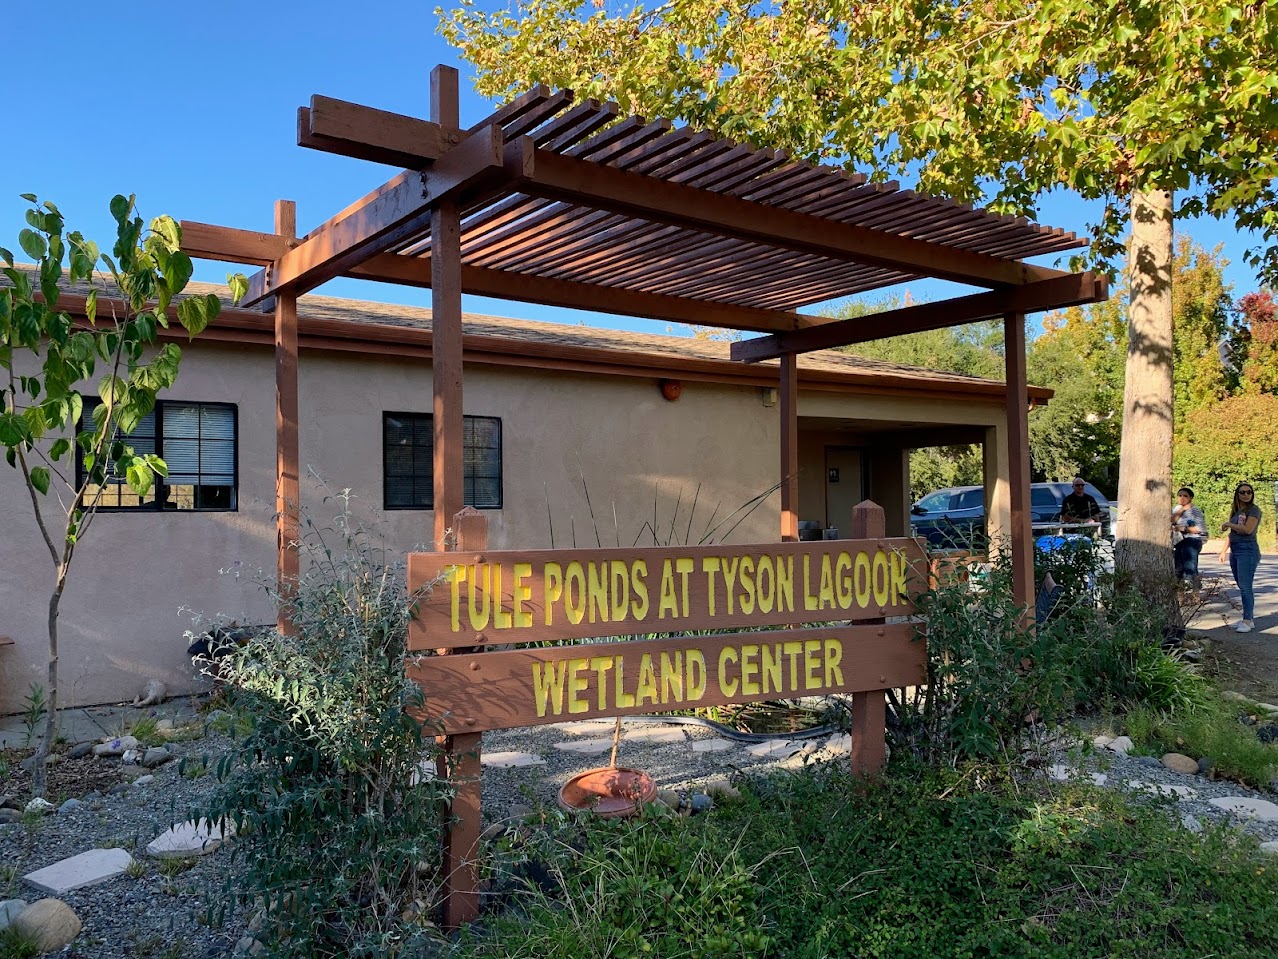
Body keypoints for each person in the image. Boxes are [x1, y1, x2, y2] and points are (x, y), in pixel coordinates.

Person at [1219, 482, 1263, 633]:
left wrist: (1229, 524)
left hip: (1247, 550)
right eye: (1242, 492)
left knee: (1245, 587)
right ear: (1237, 494)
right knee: (1241, 585)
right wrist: (1224, 551)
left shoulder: (1254, 510)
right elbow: (1231, 535)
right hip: (1236, 550)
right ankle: (1247, 618)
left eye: (1249, 492)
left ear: (1252, 494)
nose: (1246, 495)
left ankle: (1247, 620)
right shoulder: (1237, 511)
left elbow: (1247, 529)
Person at [1171, 487, 1206, 587]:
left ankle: (1195, 596)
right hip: (1179, 541)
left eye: (1185, 496)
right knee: (1178, 569)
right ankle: (1182, 598)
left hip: (1192, 540)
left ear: (1191, 497)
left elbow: (1200, 529)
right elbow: (1172, 520)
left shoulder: (1195, 511)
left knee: (1190, 568)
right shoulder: (1177, 509)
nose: (1182, 498)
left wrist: (1184, 529)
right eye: (1180, 495)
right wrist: (1182, 510)